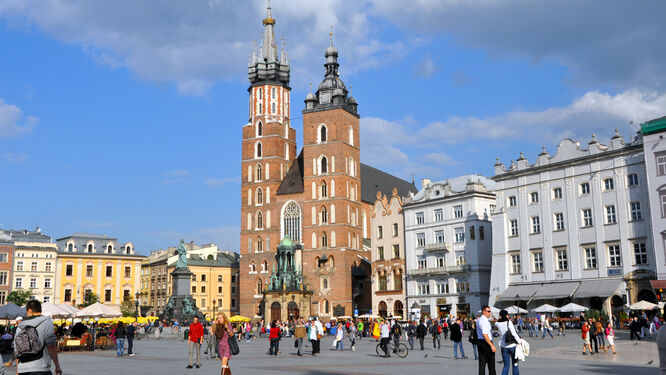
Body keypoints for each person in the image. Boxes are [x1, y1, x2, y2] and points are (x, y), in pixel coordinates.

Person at [15, 300, 62, 375]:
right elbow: (51, 345)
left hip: (22, 369)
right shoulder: (47, 321)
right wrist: (57, 366)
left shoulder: (20, 326)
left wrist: (17, 371)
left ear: (29, 310)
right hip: (40, 368)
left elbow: (17, 350)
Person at [496, 310, 520, 375]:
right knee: (515, 364)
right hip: (512, 345)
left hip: (503, 346)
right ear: (506, 315)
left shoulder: (497, 323)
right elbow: (514, 333)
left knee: (506, 366)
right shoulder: (509, 322)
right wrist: (519, 341)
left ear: (500, 316)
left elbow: (500, 332)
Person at [478, 306, 497, 375]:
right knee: (491, 364)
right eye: (488, 311)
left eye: (490, 311)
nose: (490, 313)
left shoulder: (480, 319)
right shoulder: (484, 321)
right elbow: (485, 334)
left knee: (482, 364)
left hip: (480, 342)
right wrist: (491, 345)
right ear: (483, 312)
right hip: (486, 343)